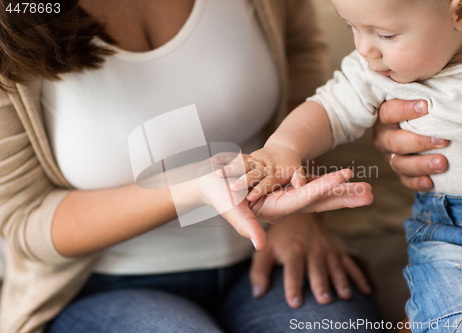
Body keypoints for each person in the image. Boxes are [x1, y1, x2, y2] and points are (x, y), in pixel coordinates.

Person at [0, 0, 436, 332]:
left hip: (270, 255)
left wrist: (295, 210)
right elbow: (23, 221)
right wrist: (192, 186)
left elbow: (302, 62)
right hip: (107, 285)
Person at [227, 0, 462, 331]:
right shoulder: (375, 70)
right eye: (352, 27)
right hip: (453, 236)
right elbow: (330, 109)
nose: (364, 49)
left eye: (385, 34)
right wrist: (284, 148)